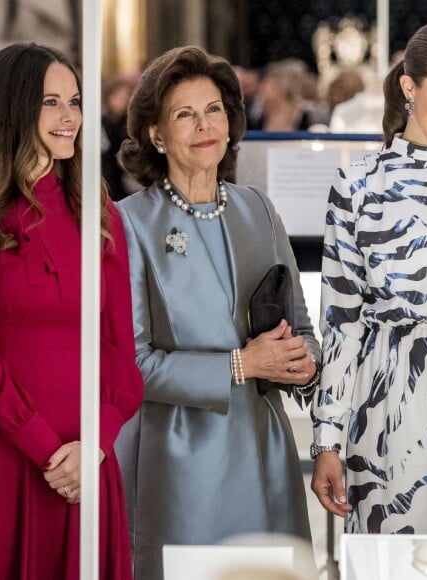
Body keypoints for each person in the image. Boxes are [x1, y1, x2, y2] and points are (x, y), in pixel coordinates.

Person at [0, 42, 144, 579]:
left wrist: (94, 443)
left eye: (75, 100)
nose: (70, 117)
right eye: (51, 102)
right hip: (0, 455)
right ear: (15, 107)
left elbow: (122, 357)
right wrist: (46, 450)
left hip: (86, 460)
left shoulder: (99, 215)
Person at [115, 45, 321, 580]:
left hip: (266, 452)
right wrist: (242, 365)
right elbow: (130, 364)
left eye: (214, 110)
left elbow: (300, 325)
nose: (204, 125)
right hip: (181, 460)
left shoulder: (258, 207)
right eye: (184, 114)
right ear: (157, 134)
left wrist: (304, 362)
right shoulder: (128, 225)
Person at [311, 20, 427, 535]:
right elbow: (342, 324)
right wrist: (326, 440)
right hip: (391, 416)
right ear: (409, 87)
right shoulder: (358, 185)